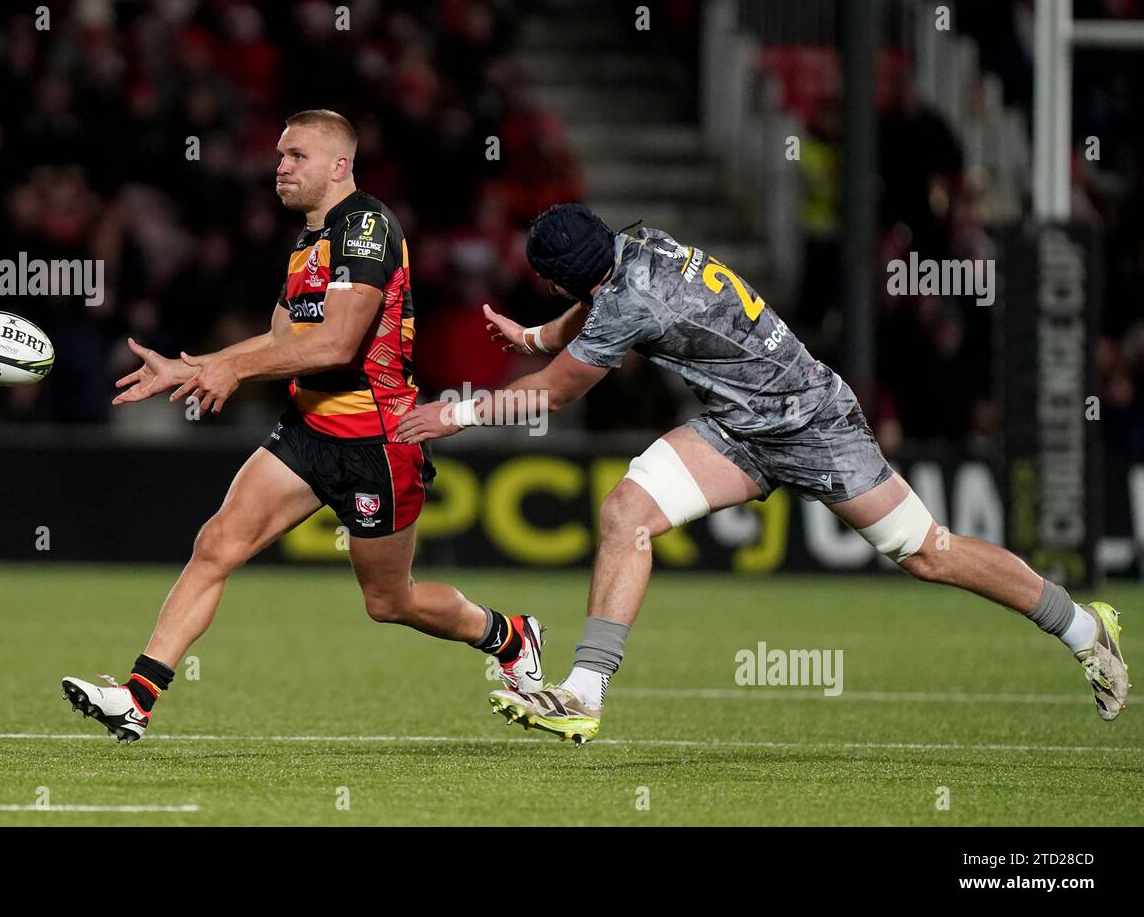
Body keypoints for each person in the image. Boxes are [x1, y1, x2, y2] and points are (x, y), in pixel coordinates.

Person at [397, 203, 1128, 745]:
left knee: (928, 553)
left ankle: (1083, 626)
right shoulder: (636, 244)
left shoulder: (627, 300)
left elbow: (552, 391)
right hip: (736, 426)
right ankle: (584, 691)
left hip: (813, 421)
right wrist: (530, 335)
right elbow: (593, 310)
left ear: (557, 278)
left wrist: (455, 414)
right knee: (627, 512)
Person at [61, 110, 542, 742]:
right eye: (281, 156)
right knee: (216, 545)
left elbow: (337, 345)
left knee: (388, 602)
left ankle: (508, 636)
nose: (281, 167)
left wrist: (231, 372)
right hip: (310, 430)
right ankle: (137, 697)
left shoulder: (366, 228)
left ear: (340, 166)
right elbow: (283, 338)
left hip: (378, 439)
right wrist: (199, 367)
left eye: (297, 157)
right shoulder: (305, 242)